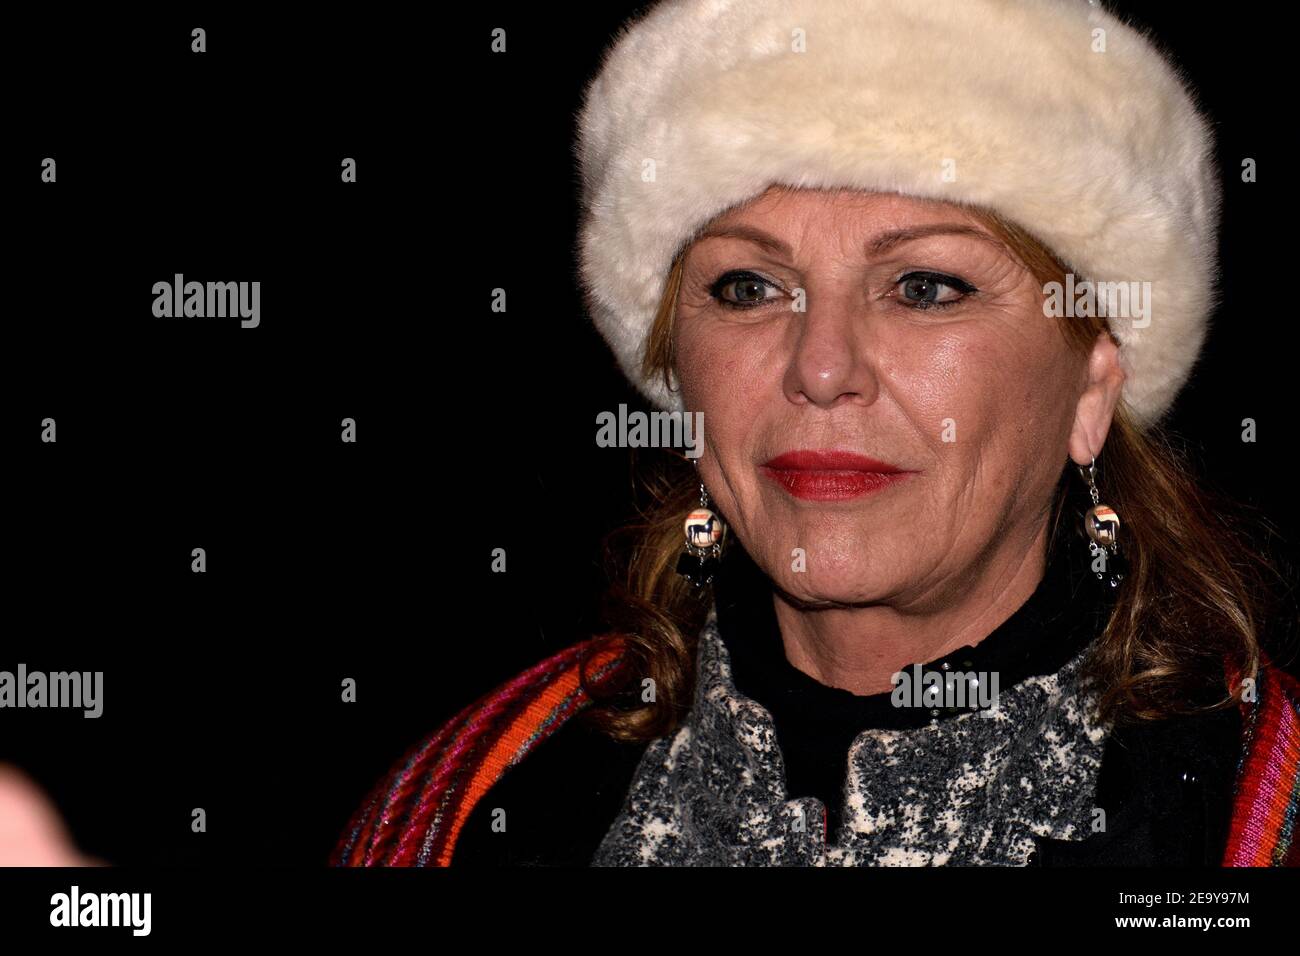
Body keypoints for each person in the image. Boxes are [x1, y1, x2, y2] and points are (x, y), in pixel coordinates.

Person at [332, 0, 1300, 867]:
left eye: (925, 286)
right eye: (747, 287)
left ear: (1093, 381)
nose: (821, 366)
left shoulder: (1248, 819)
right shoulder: (466, 812)